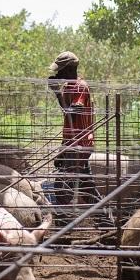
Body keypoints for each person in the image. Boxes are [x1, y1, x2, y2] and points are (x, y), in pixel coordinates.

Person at [47, 51, 99, 208]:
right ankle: (105, 219)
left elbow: (72, 115)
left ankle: (63, 220)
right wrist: (63, 149)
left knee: (62, 188)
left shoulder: (80, 87)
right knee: (86, 187)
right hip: (72, 143)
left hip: (80, 145)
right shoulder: (68, 87)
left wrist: (57, 93)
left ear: (69, 70)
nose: (57, 73)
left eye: (60, 70)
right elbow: (68, 118)